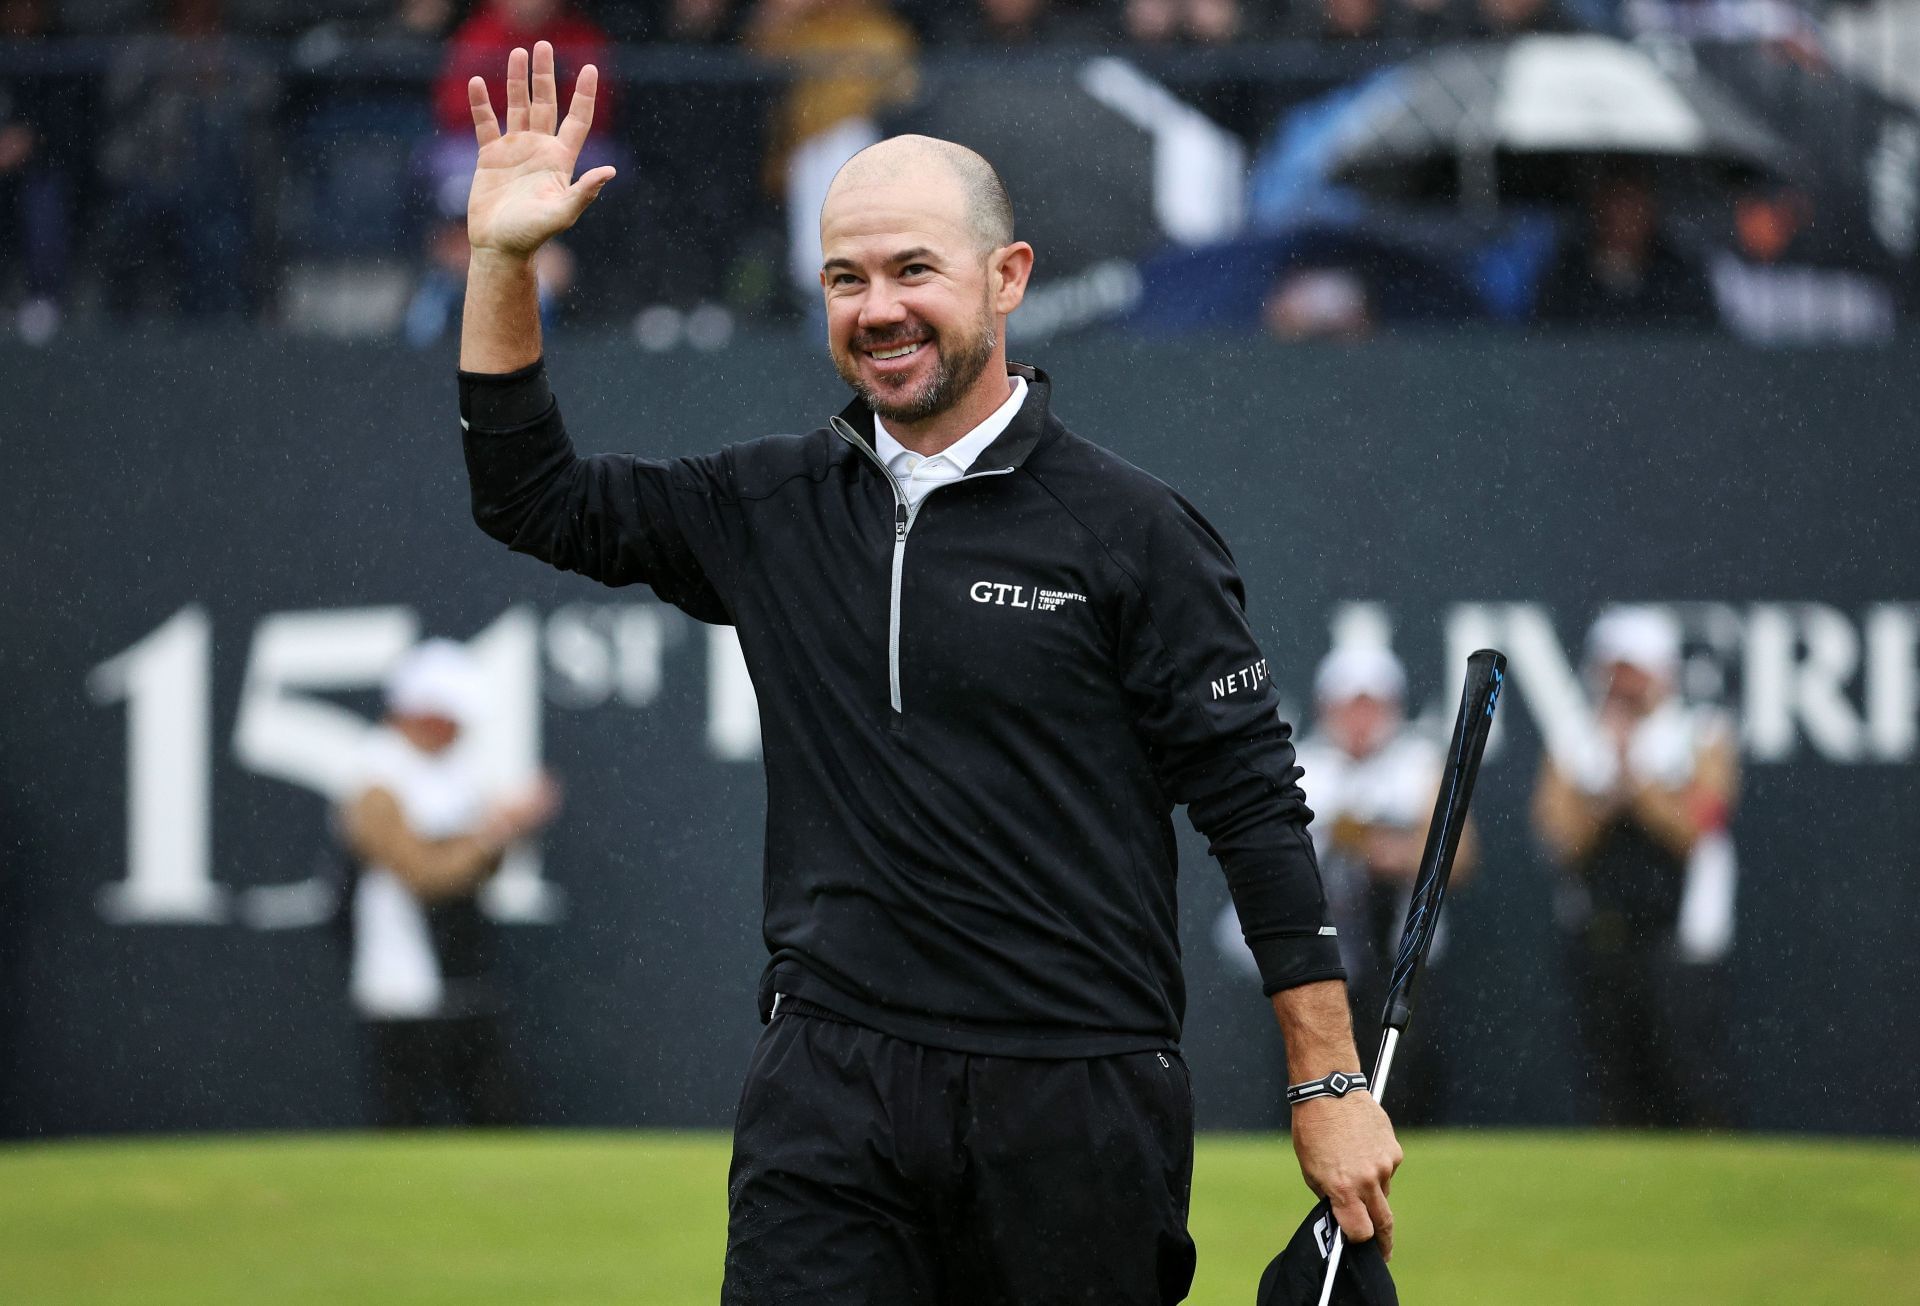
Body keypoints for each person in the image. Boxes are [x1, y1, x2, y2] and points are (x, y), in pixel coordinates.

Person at [453, 43, 1399, 1301]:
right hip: (827, 1089)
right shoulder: (770, 503)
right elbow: (530, 497)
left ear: (1007, 278)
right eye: (845, 279)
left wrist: (1327, 1083)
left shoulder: (1134, 532)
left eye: (913, 270)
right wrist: (503, 262)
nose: (877, 308)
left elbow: (1257, 814)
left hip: (1077, 1089)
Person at [1532, 606, 1740, 1128]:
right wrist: (1612, 792)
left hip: (1682, 941)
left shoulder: (1703, 733)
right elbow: (1559, 838)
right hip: (1601, 937)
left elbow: (1697, 828)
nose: (1622, 684)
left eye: (1635, 669)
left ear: (1662, 672)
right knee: (1612, 1082)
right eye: (1613, 669)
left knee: (1687, 1074)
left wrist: (1633, 778)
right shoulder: (1574, 739)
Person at [337, 639, 559, 1127]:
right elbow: (423, 875)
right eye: (449, 715)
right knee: (408, 1128)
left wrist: (503, 832)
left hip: (467, 976)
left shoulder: (456, 769)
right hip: (402, 987)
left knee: (496, 1115)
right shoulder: (374, 777)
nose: (459, 728)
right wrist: (495, 829)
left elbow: (476, 868)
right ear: (421, 712)